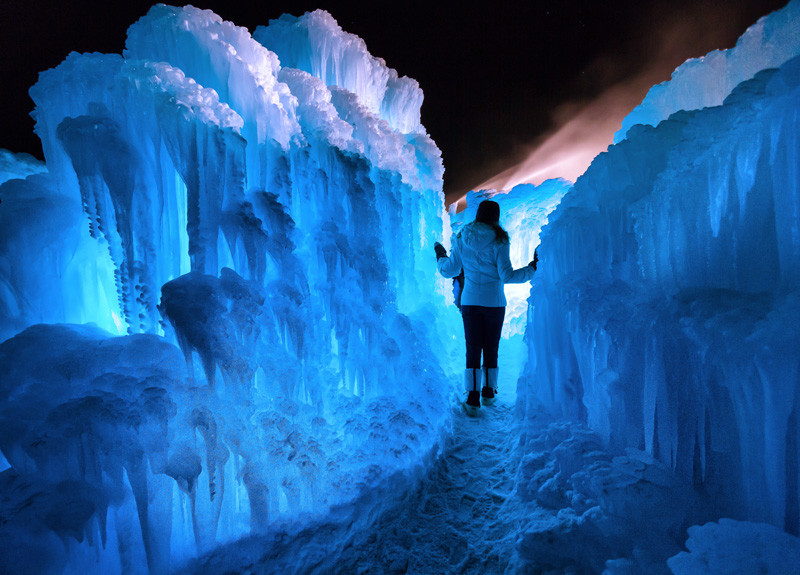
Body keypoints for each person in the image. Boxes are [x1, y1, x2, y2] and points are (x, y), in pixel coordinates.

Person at [435, 200, 537, 413]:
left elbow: (449, 271)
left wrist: (440, 256)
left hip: (470, 302)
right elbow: (507, 276)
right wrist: (532, 268)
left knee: (473, 348)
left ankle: (472, 400)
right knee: (491, 347)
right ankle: (489, 393)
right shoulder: (500, 240)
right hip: (494, 303)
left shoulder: (463, 237)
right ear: (495, 217)